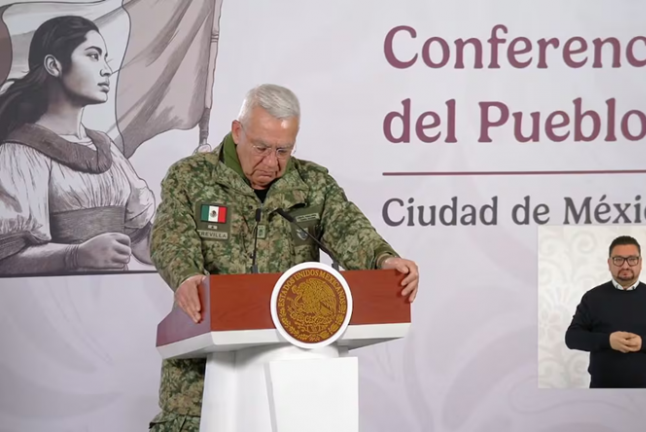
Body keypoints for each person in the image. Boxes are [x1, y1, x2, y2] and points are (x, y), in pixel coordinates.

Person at [147, 83, 420, 430]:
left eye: (283, 150)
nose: (271, 162)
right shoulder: (190, 177)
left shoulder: (313, 184)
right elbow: (171, 237)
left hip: (294, 377)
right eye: (261, 148)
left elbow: (349, 230)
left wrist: (384, 260)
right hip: (202, 379)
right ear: (237, 131)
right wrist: (186, 276)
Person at [0, 15, 155, 276]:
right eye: (93, 56)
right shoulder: (19, 153)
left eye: (105, 58)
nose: (106, 69)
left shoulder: (106, 149)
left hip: (118, 296)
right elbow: (5, 258)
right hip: (54, 299)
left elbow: (141, 243)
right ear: (54, 65)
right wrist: (76, 255)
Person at [564, 235, 646, 388]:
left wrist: (643, 343)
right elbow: (572, 338)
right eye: (618, 259)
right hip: (602, 388)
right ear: (609, 263)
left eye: (632, 259)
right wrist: (608, 341)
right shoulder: (592, 298)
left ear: (640, 263)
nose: (625, 265)